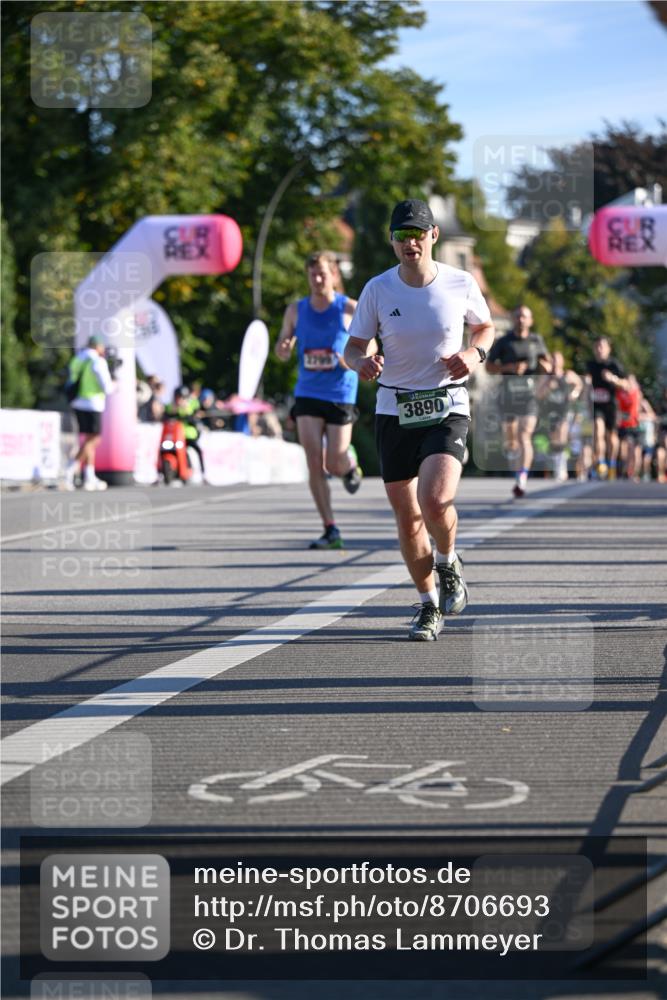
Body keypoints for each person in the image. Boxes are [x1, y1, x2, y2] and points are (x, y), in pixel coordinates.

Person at [344, 198, 495, 641]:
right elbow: (354, 347)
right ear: (392, 241)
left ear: (434, 236)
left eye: (418, 234)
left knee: (434, 499)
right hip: (394, 408)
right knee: (408, 519)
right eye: (402, 235)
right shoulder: (377, 289)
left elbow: (485, 327)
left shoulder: (460, 282)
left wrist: (473, 353)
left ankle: (448, 562)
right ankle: (429, 605)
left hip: (447, 405)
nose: (411, 242)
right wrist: (362, 364)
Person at [276, 250, 361, 550]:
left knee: (333, 463)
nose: (317, 279)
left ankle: (349, 465)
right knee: (314, 463)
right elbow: (282, 345)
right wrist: (284, 348)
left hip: (340, 392)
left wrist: (349, 360)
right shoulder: (296, 310)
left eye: (323, 273)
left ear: (334, 274)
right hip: (308, 391)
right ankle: (330, 528)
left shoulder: (349, 309)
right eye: (312, 274)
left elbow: (371, 345)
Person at [486, 305, 551, 498]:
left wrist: (544, 367)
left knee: (525, 435)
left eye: (524, 316)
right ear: (513, 320)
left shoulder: (536, 340)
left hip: (529, 397)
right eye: (518, 316)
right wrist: (510, 367)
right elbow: (489, 367)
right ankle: (517, 470)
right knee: (511, 440)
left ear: (530, 321)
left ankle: (521, 478)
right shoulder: (504, 341)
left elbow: (547, 364)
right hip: (508, 395)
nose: (521, 319)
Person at [65, 334, 115, 491]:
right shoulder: (97, 361)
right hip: (92, 403)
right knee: (94, 439)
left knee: (88, 438)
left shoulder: (77, 359)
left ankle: (89, 475)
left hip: (77, 402)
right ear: (97, 346)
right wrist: (115, 384)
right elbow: (106, 387)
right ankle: (71, 469)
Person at [535, 352, 583, 481]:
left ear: (562, 362)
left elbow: (579, 383)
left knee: (562, 434)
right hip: (551, 412)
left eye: (558, 360)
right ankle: (558, 465)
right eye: (553, 360)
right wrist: (548, 388)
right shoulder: (547, 378)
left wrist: (574, 393)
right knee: (554, 440)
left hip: (565, 410)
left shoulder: (567, 375)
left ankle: (561, 468)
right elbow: (538, 395)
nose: (555, 362)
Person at [585, 336, 628, 479]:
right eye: (597, 346)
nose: (599, 350)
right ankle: (601, 462)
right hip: (596, 404)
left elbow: (626, 385)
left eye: (602, 346)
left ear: (608, 349)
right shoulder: (590, 365)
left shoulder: (614, 365)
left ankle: (612, 464)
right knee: (598, 431)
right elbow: (585, 383)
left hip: (611, 406)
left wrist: (613, 379)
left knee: (612, 438)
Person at [165, 385, 206, 478]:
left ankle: (203, 472)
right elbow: (166, 416)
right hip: (174, 436)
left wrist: (185, 409)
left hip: (188, 435)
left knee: (197, 450)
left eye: (182, 397)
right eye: (178, 397)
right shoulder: (171, 406)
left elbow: (195, 416)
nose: (179, 399)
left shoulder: (192, 404)